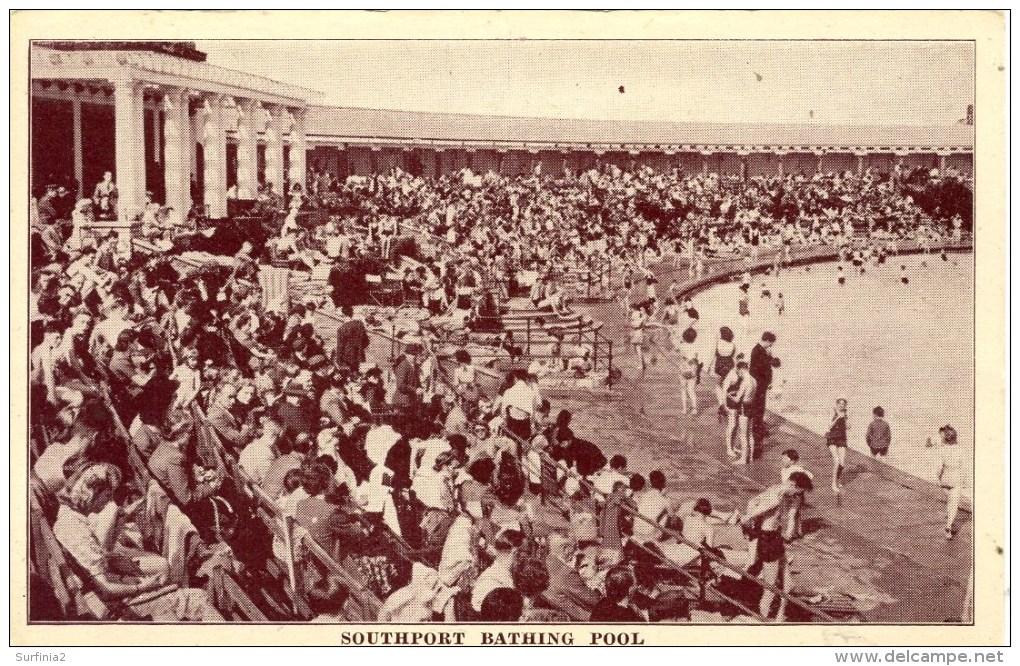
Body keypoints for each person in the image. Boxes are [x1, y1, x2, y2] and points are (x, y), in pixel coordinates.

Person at [737, 471, 814, 620]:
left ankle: (779, 617)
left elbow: (752, 502)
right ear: (793, 485)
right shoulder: (776, 497)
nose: (797, 495)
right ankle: (762, 618)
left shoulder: (776, 490)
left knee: (788, 583)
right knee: (770, 587)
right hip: (769, 541)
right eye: (798, 491)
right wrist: (750, 523)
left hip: (774, 538)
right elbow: (751, 514)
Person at [933, 425, 965, 540]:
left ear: (945, 438)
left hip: (945, 479)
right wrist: (964, 480)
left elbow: (939, 467)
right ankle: (948, 525)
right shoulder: (960, 449)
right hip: (956, 478)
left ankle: (949, 522)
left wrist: (937, 478)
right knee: (954, 504)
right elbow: (963, 467)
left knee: (949, 501)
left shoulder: (942, 449)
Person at [722, 358, 757, 464]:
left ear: (741, 370)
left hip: (744, 408)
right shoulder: (753, 380)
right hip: (752, 406)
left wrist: (728, 395)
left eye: (739, 372)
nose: (739, 375)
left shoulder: (745, 382)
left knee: (743, 435)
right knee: (750, 434)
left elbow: (737, 399)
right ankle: (750, 456)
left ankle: (743, 459)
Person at [748, 331, 777, 448]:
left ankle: (758, 425)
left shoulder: (759, 350)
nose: (770, 346)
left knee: (760, 405)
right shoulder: (758, 351)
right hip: (759, 383)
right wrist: (769, 357)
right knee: (758, 405)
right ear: (767, 341)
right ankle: (757, 427)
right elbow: (762, 367)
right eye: (770, 344)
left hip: (761, 383)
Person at [779, 450, 813, 541]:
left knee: (792, 514)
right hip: (786, 495)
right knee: (792, 514)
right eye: (782, 458)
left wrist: (801, 487)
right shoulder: (783, 469)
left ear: (792, 461)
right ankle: (798, 531)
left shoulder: (797, 469)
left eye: (785, 459)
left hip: (797, 496)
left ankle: (788, 535)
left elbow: (810, 476)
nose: (782, 460)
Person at [334, 305, 370, 373]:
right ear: (352, 314)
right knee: (356, 375)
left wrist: (338, 361)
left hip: (347, 358)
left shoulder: (341, 329)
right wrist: (359, 349)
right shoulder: (360, 324)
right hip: (359, 356)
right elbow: (367, 341)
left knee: (348, 377)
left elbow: (340, 347)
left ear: (342, 315)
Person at [825, 398, 848, 493]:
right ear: (837, 404)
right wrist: (838, 416)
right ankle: (833, 484)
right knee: (837, 460)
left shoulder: (846, 413)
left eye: (843, 404)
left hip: (842, 438)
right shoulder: (833, 411)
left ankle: (838, 481)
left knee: (842, 463)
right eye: (840, 404)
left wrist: (846, 419)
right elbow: (830, 425)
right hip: (832, 437)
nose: (841, 405)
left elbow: (848, 426)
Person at [713, 326, 737, 418]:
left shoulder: (718, 343)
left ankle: (721, 404)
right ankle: (727, 405)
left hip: (719, 367)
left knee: (718, 386)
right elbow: (734, 358)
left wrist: (708, 367)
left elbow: (712, 355)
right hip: (729, 366)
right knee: (727, 386)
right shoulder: (732, 345)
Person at [677, 327, 699, 416]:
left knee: (683, 390)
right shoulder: (695, 347)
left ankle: (684, 409)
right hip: (693, 371)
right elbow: (695, 359)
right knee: (691, 390)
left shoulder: (682, 346)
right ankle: (694, 409)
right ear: (694, 337)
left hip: (683, 370)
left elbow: (681, 353)